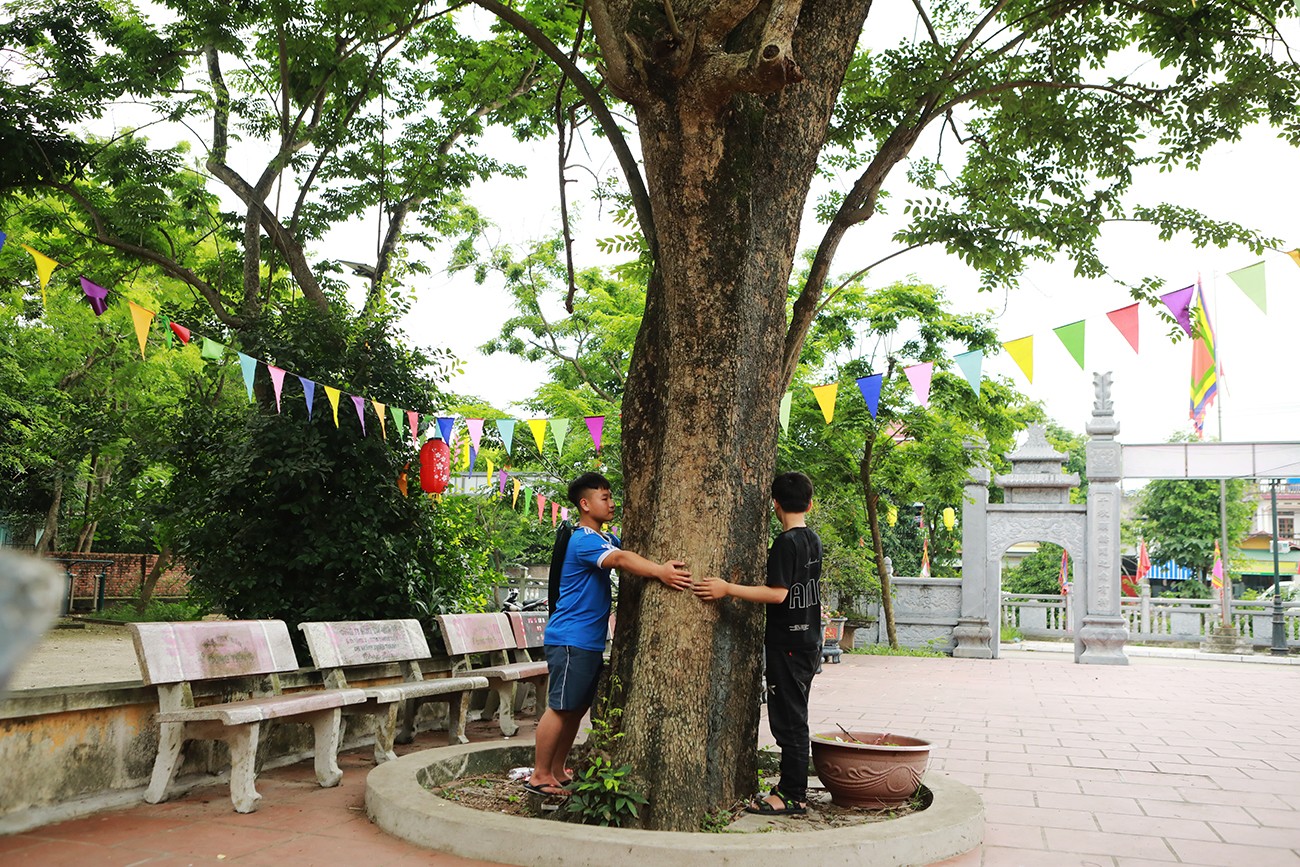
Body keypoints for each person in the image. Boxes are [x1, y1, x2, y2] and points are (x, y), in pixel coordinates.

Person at [525, 472, 692, 797]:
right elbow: (620, 559)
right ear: (585, 504)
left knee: (575, 708)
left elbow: (620, 550)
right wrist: (660, 570)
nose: (612, 502)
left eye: (611, 496)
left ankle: (558, 769)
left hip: (586, 641)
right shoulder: (584, 540)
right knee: (560, 707)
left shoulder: (602, 539)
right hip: (570, 639)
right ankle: (540, 774)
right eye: (604, 497)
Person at [693, 471, 822, 815]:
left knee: (789, 720)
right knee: (794, 715)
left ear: (774, 504)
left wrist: (727, 589)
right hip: (808, 640)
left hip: (788, 644)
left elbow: (778, 594)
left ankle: (793, 795)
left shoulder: (785, 543)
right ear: (809, 504)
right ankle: (789, 786)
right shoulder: (812, 541)